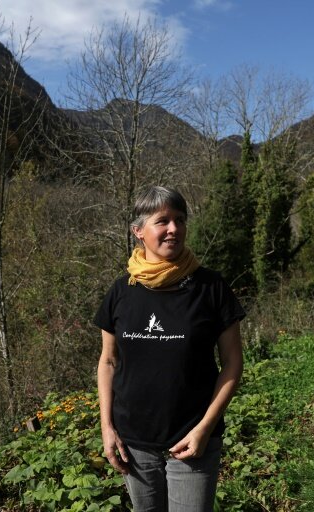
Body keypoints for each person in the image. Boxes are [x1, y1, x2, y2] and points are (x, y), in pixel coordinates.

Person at [94, 185, 245, 511]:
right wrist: (107, 427)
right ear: (138, 231)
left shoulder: (211, 288)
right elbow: (108, 362)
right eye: (162, 221)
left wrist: (205, 429)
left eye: (180, 220)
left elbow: (232, 362)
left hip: (192, 442)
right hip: (133, 442)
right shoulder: (121, 291)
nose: (174, 229)